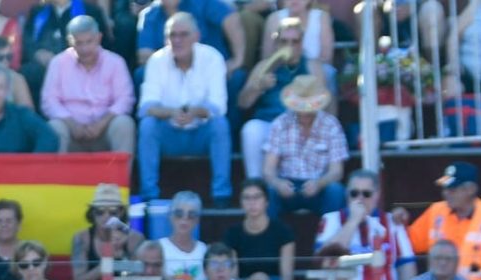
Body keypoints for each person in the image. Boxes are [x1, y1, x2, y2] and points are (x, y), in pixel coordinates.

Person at [137, 13, 232, 207]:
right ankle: (149, 195)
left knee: (220, 125)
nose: (177, 40)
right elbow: (145, 107)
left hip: (200, 133)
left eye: (183, 34)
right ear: (166, 38)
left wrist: (195, 112)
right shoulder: (157, 60)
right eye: (173, 35)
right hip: (169, 133)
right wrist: (172, 113)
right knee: (147, 126)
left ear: (196, 36)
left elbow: (219, 106)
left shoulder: (212, 58)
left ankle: (221, 195)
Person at [316, 168, 417, 280]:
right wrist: (353, 221)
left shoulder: (392, 222)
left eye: (366, 194)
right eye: (354, 194)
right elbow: (326, 258)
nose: (360, 199)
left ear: (377, 195)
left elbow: (406, 266)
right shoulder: (331, 220)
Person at [403, 162, 481, 280]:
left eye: (452, 189)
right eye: (445, 188)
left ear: (471, 189)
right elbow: (406, 244)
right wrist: (399, 222)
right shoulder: (435, 212)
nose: (446, 193)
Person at [40, 16, 135, 157]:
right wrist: (71, 124)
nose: (84, 49)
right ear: (69, 41)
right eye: (78, 43)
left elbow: (125, 99)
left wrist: (102, 123)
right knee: (54, 127)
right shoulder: (58, 63)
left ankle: (120, 179)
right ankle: (57, 179)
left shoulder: (115, 62)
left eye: (89, 42)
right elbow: (49, 101)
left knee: (124, 124)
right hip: (71, 131)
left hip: (104, 131)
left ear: (99, 38)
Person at [238, 16, 319, 179]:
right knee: (251, 130)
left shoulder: (312, 66)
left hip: (301, 124)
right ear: (276, 43)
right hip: (268, 123)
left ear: (302, 43)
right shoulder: (264, 66)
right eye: (284, 41)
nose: (289, 46)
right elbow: (242, 103)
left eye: (294, 41)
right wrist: (258, 87)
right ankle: (256, 185)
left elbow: (323, 102)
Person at [262, 74, 347, 219]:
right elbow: (268, 170)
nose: (304, 112)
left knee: (335, 191)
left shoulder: (331, 124)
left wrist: (320, 183)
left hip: (318, 185)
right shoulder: (280, 123)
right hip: (287, 184)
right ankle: (274, 240)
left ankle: (329, 237)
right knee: (269, 192)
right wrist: (278, 183)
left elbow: (336, 171)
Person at [223, 176, 296, 280]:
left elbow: (287, 277)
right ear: (241, 202)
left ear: (266, 201)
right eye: (247, 198)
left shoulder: (283, 231)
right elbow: (232, 277)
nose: (252, 203)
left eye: (257, 197)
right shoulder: (232, 233)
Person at [19, 0, 110, 104]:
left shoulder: (90, 11)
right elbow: (27, 40)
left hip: (78, 64)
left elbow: (102, 45)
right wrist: (37, 53)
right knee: (28, 73)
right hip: (44, 67)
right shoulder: (38, 11)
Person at [71, 183, 144, 280]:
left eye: (112, 212)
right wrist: (107, 262)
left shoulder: (134, 238)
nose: (106, 216)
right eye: (100, 211)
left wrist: (122, 255)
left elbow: (141, 275)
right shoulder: (82, 238)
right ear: (92, 213)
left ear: (121, 212)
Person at [259, 0, 335, 90]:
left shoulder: (321, 17)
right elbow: (267, 56)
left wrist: (308, 68)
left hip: (315, 70)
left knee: (327, 71)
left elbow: (327, 57)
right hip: (281, 69)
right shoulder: (274, 19)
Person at [443, 0, 481, 99]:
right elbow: (453, 37)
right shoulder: (477, 5)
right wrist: (453, 70)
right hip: (463, 73)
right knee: (447, 89)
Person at [159, 190, 207, 280]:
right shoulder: (159, 247)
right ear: (170, 216)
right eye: (179, 214)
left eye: (191, 215)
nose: (184, 219)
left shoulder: (204, 250)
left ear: (197, 220)